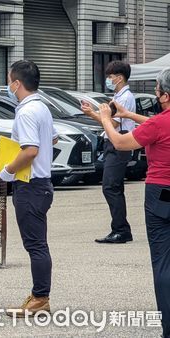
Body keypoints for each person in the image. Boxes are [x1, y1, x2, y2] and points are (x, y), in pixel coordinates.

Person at [98, 67, 170, 337]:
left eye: (156, 90)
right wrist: (127, 115)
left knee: (163, 261)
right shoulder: (157, 122)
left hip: (160, 191)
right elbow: (153, 124)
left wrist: (106, 117)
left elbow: (119, 141)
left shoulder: (158, 124)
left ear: (164, 95)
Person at [0, 60, 56, 317]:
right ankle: (38, 294)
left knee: (35, 245)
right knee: (38, 243)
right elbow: (52, 138)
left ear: (17, 83)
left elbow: (30, 150)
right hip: (41, 183)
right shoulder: (42, 107)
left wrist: (9, 169)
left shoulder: (26, 111)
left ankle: (41, 297)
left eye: (9, 80)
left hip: (30, 184)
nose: (8, 84)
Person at [81, 60, 136, 244]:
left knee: (110, 187)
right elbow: (108, 122)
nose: (108, 79)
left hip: (118, 142)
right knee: (114, 187)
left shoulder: (125, 98)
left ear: (119, 78)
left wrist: (93, 114)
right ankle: (121, 228)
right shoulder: (119, 96)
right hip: (114, 142)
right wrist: (96, 114)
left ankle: (120, 229)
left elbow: (111, 123)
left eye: (110, 77)